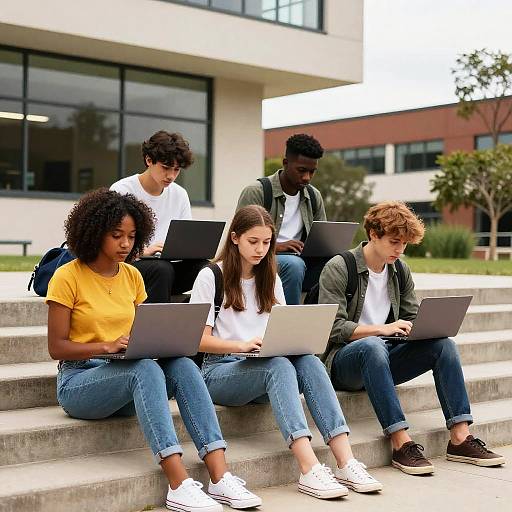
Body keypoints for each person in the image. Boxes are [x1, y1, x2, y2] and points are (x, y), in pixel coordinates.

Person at [46, 188, 261, 512]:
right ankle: (178, 483)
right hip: (80, 382)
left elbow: (147, 328)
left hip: (127, 377)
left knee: (184, 365)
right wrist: (105, 346)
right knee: (145, 369)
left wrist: (160, 342)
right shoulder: (67, 277)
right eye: (116, 235)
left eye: (132, 236)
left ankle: (219, 475)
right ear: (93, 232)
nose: (125, 244)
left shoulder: (132, 276)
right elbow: (56, 347)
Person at [190, 204, 382, 499]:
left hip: (261, 363)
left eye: (267, 243)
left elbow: (279, 327)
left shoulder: (271, 276)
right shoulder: (210, 276)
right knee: (279, 366)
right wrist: (240, 345)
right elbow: (196, 340)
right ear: (235, 238)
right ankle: (308, 468)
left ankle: (346, 461)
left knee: (308, 360)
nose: (261, 250)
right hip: (219, 370)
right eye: (253, 242)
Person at [318, 200, 506, 475]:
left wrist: (422, 328)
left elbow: (411, 316)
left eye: (405, 244)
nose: (400, 249)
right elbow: (332, 328)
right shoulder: (340, 266)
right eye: (394, 241)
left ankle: (460, 437)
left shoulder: (399, 271)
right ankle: (400, 442)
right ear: (373, 233)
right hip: (344, 364)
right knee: (372, 346)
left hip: (383, 359)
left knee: (444, 346)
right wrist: (382, 329)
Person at [111, 130, 205, 303]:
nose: (171, 176)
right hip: (129, 266)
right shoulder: (122, 190)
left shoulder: (180, 194)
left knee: (206, 269)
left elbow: (185, 240)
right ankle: (155, 327)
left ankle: (202, 324)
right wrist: (143, 251)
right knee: (161, 269)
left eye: (176, 170)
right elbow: (110, 242)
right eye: (166, 167)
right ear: (149, 160)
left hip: (166, 267)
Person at [236, 134, 328, 305]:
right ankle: (291, 325)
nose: (307, 177)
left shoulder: (314, 196)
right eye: (301, 170)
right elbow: (240, 238)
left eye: (312, 172)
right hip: (262, 260)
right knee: (294, 265)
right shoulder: (258, 191)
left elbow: (321, 239)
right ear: (285, 163)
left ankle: (324, 323)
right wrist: (276, 247)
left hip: (300, 260)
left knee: (337, 264)